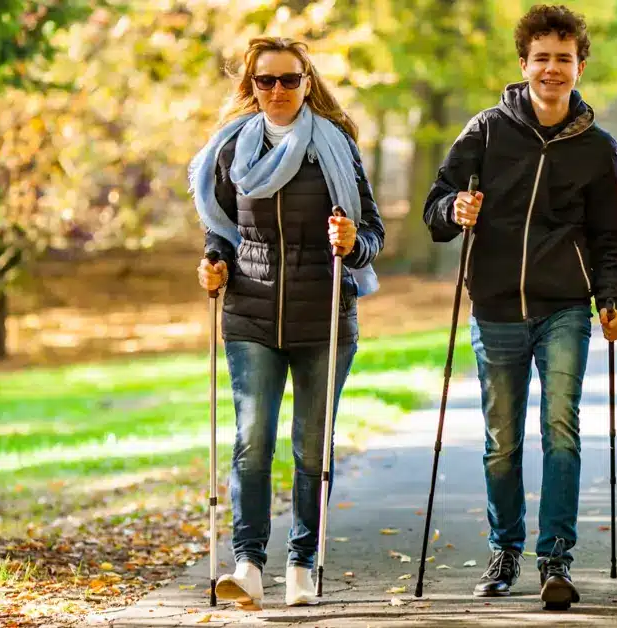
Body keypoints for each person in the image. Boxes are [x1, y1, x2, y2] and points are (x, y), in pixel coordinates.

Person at [422, 3, 617, 609]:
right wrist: (452, 212)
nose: (552, 69)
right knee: (502, 439)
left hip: (565, 305)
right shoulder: (486, 131)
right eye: (542, 58)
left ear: (580, 65)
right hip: (495, 308)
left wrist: (612, 297)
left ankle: (556, 558)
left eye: (563, 59)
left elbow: (609, 237)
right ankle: (505, 548)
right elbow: (438, 205)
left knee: (561, 432)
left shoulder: (598, 147)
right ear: (524, 64)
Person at [188, 36, 385, 609]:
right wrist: (214, 263)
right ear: (250, 86)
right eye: (264, 81)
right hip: (250, 314)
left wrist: (353, 244)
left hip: (323, 316)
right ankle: (247, 564)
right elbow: (219, 230)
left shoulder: (335, 146)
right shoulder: (230, 149)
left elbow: (372, 233)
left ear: (307, 82)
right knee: (252, 441)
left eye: (289, 80)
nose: (277, 91)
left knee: (309, 446)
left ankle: (302, 562)